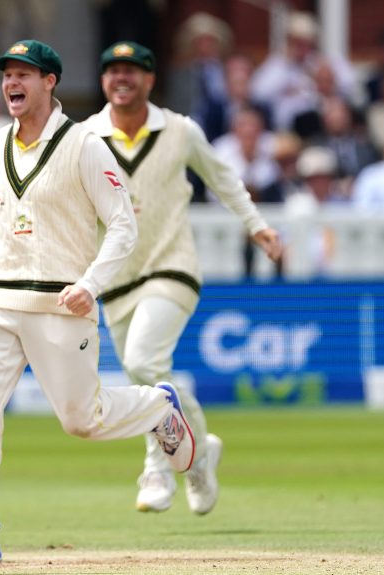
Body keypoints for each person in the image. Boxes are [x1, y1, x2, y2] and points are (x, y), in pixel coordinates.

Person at [0, 39, 197, 567]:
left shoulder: (85, 145)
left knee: (83, 420)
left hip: (61, 304)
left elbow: (124, 225)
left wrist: (91, 284)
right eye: (7, 73)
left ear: (49, 82)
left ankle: (158, 407)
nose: (12, 82)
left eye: (24, 74)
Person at [83, 41, 283, 516]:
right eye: (112, 71)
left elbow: (223, 178)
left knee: (142, 360)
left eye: (132, 70)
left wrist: (256, 225)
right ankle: (196, 457)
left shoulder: (179, 131)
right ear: (103, 81)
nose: (121, 79)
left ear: (150, 80)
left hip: (172, 266)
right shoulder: (85, 137)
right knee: (145, 374)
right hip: (115, 278)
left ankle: (156, 467)